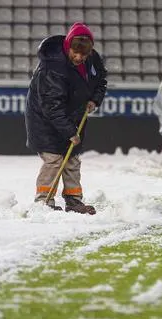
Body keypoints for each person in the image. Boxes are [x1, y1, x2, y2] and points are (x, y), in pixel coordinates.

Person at [25, 22, 107, 214]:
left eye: (83, 54)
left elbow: (100, 81)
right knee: (54, 159)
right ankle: (43, 202)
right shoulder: (52, 68)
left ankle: (74, 201)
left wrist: (94, 100)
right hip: (45, 120)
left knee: (72, 160)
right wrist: (69, 131)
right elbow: (51, 106)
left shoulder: (92, 59)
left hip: (74, 117)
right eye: (75, 52)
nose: (79, 57)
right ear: (68, 46)